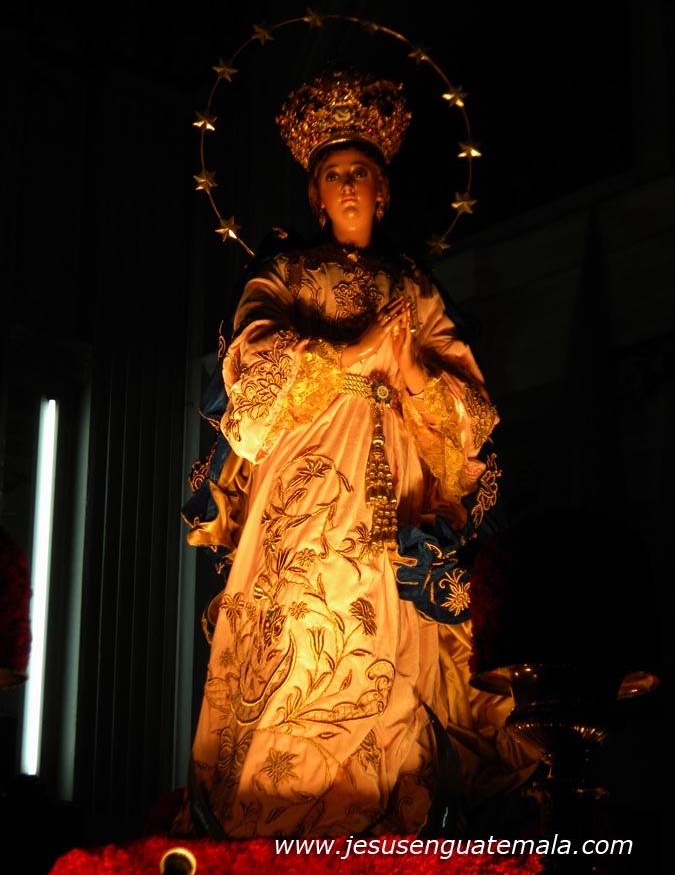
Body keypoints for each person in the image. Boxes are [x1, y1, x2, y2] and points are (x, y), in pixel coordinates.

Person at [172, 67, 539, 841]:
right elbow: (249, 370)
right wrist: (352, 352)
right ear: (315, 194)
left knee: (396, 629)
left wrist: (410, 372)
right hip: (308, 480)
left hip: (400, 484)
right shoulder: (283, 272)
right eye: (333, 174)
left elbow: (472, 414)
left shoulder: (415, 288)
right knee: (308, 617)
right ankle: (285, 807)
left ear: (382, 192)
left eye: (360, 174)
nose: (347, 186)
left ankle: (394, 808)